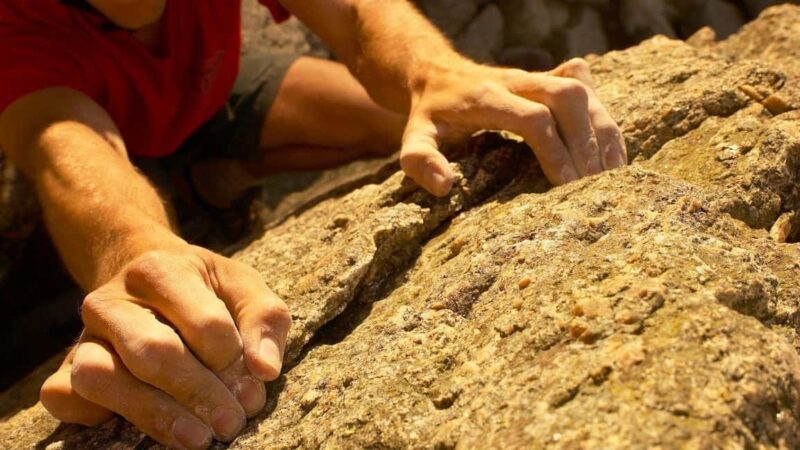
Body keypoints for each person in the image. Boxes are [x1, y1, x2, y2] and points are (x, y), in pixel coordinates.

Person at [0, 0, 627, 448]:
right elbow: (62, 144)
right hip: (115, 125)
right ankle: (192, 182)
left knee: (422, 122)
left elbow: (354, 16)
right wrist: (133, 251)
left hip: (210, 91)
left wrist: (433, 73)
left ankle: (212, 177)